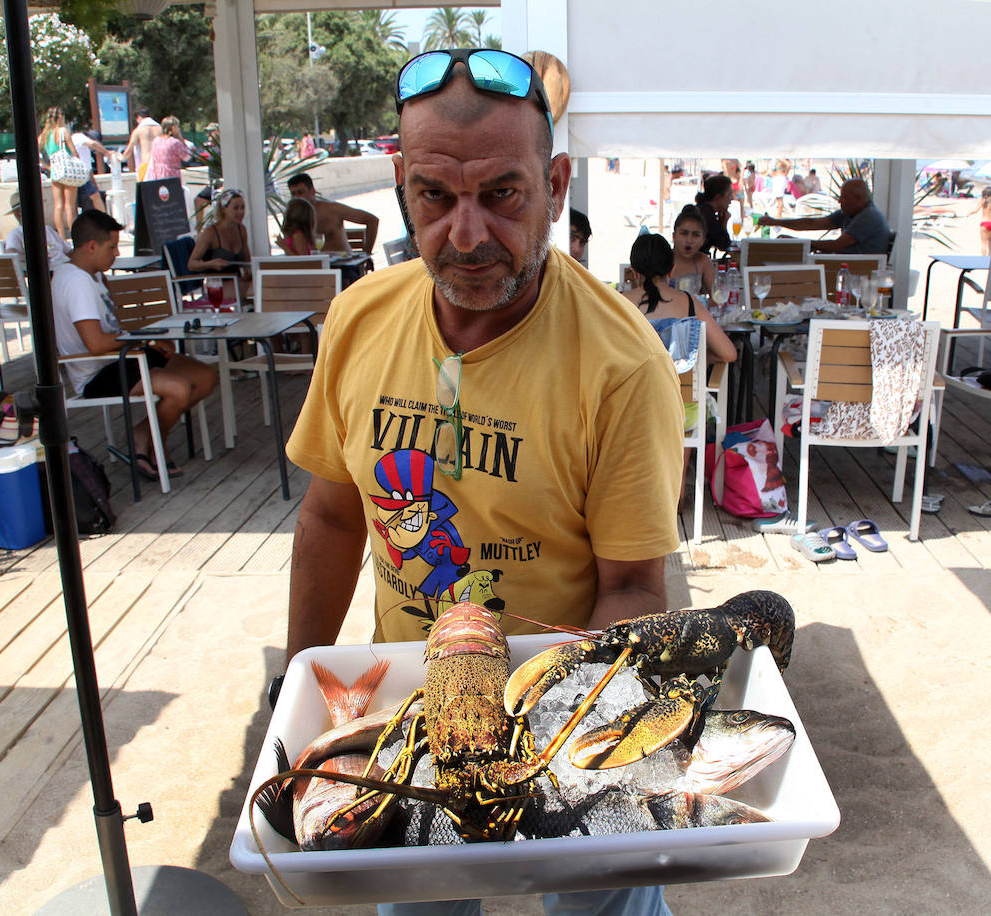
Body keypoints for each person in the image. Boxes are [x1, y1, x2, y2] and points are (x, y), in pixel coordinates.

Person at [283, 49, 683, 915]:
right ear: (401, 185)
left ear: (556, 183)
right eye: (435, 195)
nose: (465, 235)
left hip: (572, 702)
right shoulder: (357, 321)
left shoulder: (621, 364)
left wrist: (560, 742)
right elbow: (329, 516)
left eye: (502, 193)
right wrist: (297, 695)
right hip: (405, 702)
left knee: (603, 895)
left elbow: (632, 585)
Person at [53, 211, 218, 480]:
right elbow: (95, 343)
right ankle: (150, 440)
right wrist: (144, 340)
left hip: (122, 358)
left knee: (205, 376)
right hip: (97, 373)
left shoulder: (90, 274)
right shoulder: (75, 282)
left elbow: (111, 329)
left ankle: (146, 433)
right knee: (179, 388)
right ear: (91, 246)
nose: (116, 253)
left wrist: (146, 343)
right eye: (112, 247)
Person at [627, 233, 736, 365]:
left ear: (634, 272)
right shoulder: (688, 302)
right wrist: (699, 360)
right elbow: (728, 354)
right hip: (678, 385)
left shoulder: (618, 302)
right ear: (672, 270)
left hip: (631, 384)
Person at [757, 178, 891, 255]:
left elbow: (836, 246)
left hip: (858, 272)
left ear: (859, 199)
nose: (840, 201)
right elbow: (812, 224)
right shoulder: (850, 212)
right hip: (845, 267)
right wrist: (776, 222)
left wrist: (799, 243)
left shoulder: (868, 217)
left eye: (844, 197)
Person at [286, 172, 379, 256]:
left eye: (301, 192)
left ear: (312, 191)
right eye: (293, 194)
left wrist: (366, 254)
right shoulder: (292, 216)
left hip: (343, 265)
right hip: (313, 267)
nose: (297, 197)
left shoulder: (333, 209)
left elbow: (372, 220)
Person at [189, 188, 251, 293]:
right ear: (224, 209)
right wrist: (210, 264)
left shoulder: (241, 230)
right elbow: (191, 264)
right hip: (217, 286)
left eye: (242, 208)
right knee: (260, 292)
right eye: (236, 208)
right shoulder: (211, 233)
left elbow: (247, 261)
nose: (240, 212)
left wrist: (248, 272)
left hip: (238, 282)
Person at [38, 107, 80, 239]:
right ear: (60, 117)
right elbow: (73, 151)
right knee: (70, 205)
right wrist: (78, 161)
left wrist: (47, 166)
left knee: (59, 205)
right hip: (67, 169)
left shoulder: (44, 135)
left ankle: (61, 237)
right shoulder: (63, 131)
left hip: (55, 170)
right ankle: (74, 236)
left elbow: (34, 152)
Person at [3, 191, 72, 269]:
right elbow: (12, 255)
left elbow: (69, 251)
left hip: (67, 267)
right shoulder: (16, 235)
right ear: (19, 214)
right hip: (51, 272)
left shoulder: (47, 229)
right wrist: (36, 258)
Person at [669, 205, 715, 298]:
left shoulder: (703, 261)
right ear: (674, 236)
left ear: (703, 240)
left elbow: (717, 296)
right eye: (684, 233)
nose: (689, 240)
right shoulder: (661, 258)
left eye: (696, 235)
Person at [69, 125, 115, 214]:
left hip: (82, 175)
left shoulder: (85, 150)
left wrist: (95, 187)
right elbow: (93, 144)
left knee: (91, 197)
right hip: (77, 174)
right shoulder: (79, 137)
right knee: (93, 197)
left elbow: (89, 171)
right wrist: (107, 153)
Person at [693, 173, 733, 257]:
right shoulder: (707, 214)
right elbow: (723, 244)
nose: (731, 199)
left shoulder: (702, 209)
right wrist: (724, 223)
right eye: (729, 195)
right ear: (718, 197)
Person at [145, 116, 192, 182]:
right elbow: (187, 157)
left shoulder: (156, 141)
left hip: (157, 177)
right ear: (173, 128)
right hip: (172, 177)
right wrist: (180, 137)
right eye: (177, 127)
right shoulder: (175, 143)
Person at [193, 122, 222, 229]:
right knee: (198, 200)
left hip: (221, 184)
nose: (208, 135)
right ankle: (199, 230)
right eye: (207, 133)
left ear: (218, 132)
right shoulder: (213, 148)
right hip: (213, 184)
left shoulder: (223, 148)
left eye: (211, 132)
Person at [121, 108, 161, 182]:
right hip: (161, 166)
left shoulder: (139, 130)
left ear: (139, 117)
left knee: (146, 192)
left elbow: (129, 149)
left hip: (146, 165)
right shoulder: (160, 129)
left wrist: (121, 158)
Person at [977, 187, 991, 257]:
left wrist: (968, 213)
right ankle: (989, 255)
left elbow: (976, 210)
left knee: (983, 242)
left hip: (984, 223)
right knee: (990, 239)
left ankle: (983, 258)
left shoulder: (983, 202)